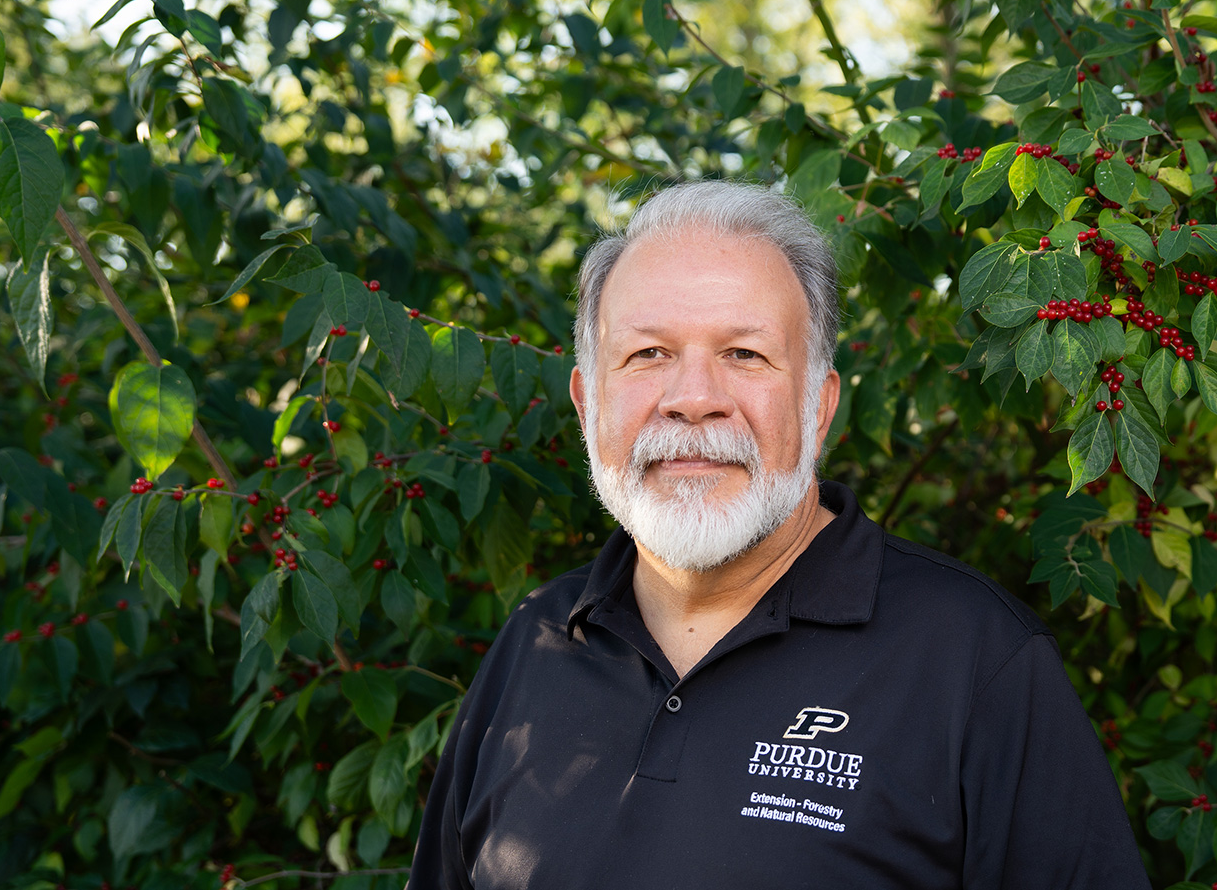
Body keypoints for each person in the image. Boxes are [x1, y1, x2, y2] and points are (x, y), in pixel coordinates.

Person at [404, 180, 1149, 889]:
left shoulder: (975, 661)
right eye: (648, 354)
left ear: (818, 406)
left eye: (744, 354)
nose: (693, 400)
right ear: (587, 401)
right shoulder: (533, 644)